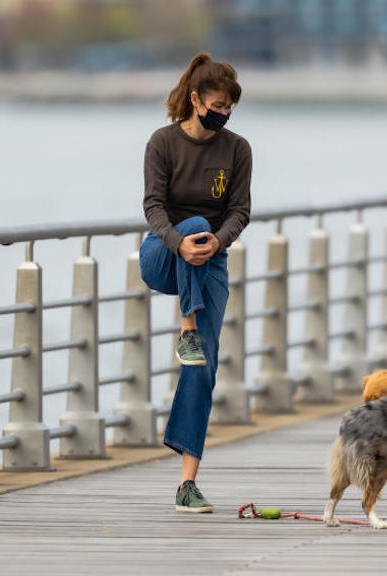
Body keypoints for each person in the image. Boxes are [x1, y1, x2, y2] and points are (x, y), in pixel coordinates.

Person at [140, 52, 252, 513]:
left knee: (202, 369)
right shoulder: (162, 143)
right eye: (218, 105)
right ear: (195, 99)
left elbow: (240, 212)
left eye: (230, 107)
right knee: (195, 223)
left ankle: (187, 483)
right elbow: (153, 206)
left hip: (211, 259)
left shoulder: (238, 149)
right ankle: (187, 325)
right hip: (162, 254)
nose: (223, 113)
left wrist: (216, 244)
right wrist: (181, 243)